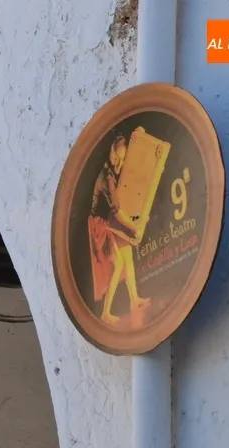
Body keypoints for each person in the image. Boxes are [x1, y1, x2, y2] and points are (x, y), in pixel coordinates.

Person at [87, 133, 150, 325]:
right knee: (118, 264)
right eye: (118, 158)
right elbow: (117, 212)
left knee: (128, 257)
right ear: (112, 154)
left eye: (123, 159)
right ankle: (105, 313)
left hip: (108, 220)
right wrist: (134, 227)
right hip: (101, 224)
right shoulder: (107, 178)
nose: (120, 163)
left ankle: (134, 300)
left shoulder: (113, 171)